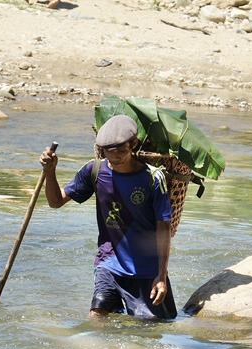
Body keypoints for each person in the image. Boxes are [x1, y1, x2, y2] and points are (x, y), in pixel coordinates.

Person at [39, 114, 177, 320]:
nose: (116, 157)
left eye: (121, 150)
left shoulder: (153, 178)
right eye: (109, 152)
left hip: (145, 268)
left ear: (133, 144)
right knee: (96, 315)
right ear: (101, 151)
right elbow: (55, 202)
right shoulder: (93, 170)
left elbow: (163, 227)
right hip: (108, 262)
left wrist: (161, 275)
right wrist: (50, 172)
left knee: (151, 326)